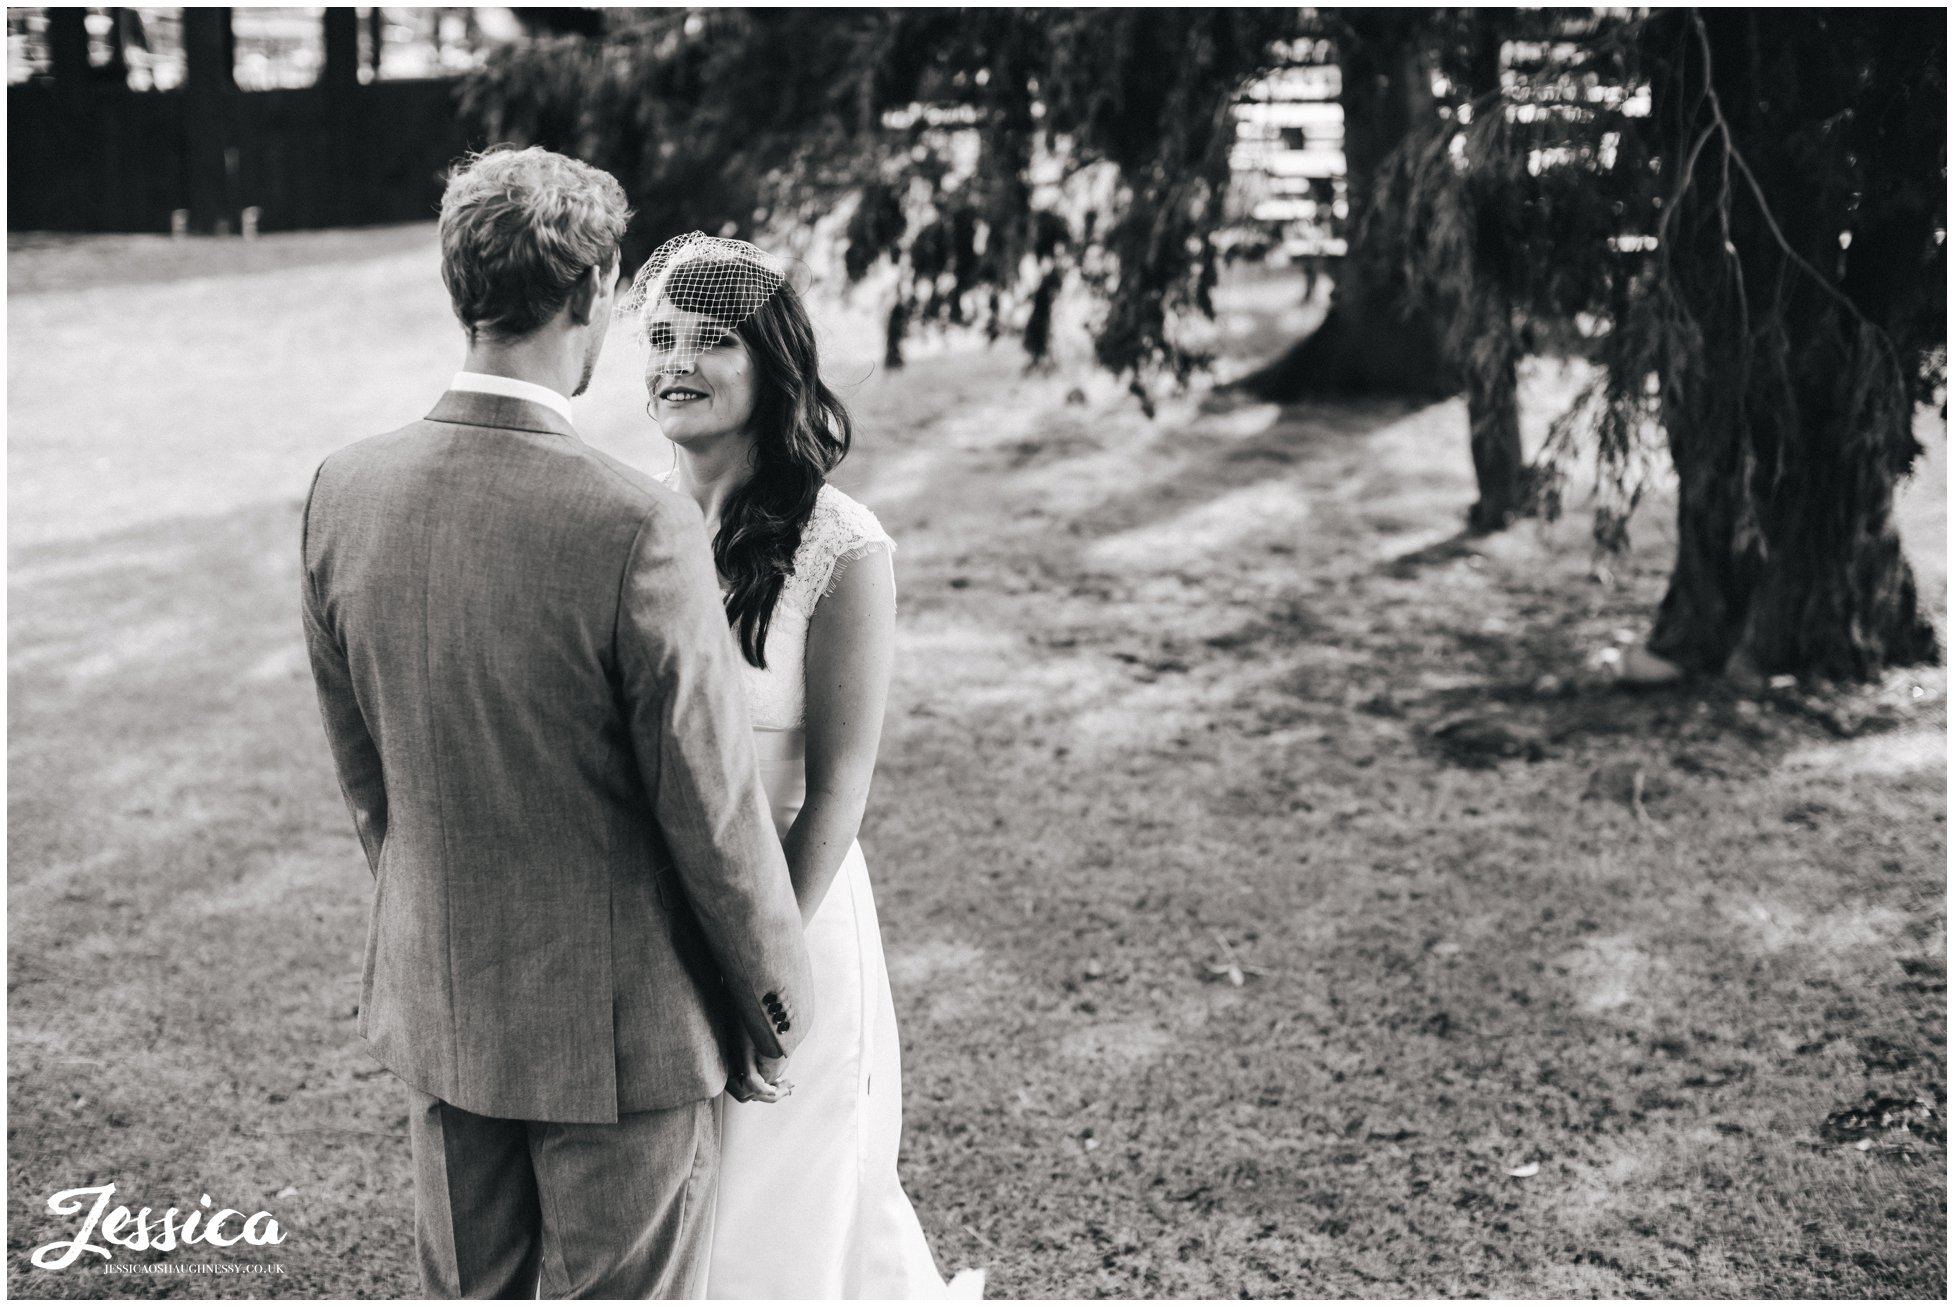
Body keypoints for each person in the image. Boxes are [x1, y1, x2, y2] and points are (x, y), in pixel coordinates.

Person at [299, 149, 812, 1298]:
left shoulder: (345, 488)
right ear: (592, 292)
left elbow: (367, 779)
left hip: (445, 1005)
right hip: (623, 1040)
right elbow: (712, 813)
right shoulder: (634, 523)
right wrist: (776, 1002)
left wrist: (441, 931)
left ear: (458, 286)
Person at [622, 232, 984, 1298]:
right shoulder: (629, 521)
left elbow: (838, 786)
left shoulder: (842, 545)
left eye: (714, 339)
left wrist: (759, 959)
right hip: (649, 913)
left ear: (773, 361)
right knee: (670, 1205)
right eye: (661, 338)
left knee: (783, 1205)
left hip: (792, 906)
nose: (677, 361)